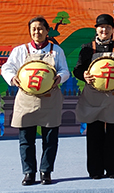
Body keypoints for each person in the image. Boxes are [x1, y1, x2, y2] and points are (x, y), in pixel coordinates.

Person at [2, 16, 70, 186]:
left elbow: (64, 70)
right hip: (26, 99)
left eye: (40, 28)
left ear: (47, 31)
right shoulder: (20, 50)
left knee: (50, 139)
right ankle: (29, 172)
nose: (37, 32)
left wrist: (59, 77)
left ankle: (46, 171)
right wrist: (12, 78)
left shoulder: (56, 51)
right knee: (26, 139)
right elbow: (7, 68)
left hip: (50, 99)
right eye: (33, 29)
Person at [74, 14, 114, 179]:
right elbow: (77, 69)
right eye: (101, 27)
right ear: (96, 29)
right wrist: (84, 75)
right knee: (94, 133)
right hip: (93, 96)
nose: (104, 30)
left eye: (108, 27)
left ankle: (113, 170)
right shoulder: (87, 48)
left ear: (113, 29)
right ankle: (95, 171)